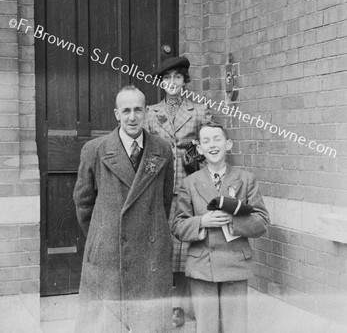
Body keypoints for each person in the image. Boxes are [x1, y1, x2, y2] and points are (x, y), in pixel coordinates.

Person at [73, 85, 174, 333]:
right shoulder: (95, 150)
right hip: (108, 251)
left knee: (148, 323)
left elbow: (164, 200)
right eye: (126, 110)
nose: (132, 117)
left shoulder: (162, 149)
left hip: (149, 251)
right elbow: (83, 202)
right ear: (116, 114)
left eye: (138, 110)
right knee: (107, 324)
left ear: (146, 112)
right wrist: (104, 233)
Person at [172, 121, 269, 333]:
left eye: (218, 139)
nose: (212, 145)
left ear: (229, 144)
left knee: (235, 327)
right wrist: (201, 222)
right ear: (199, 149)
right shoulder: (190, 183)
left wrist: (233, 220)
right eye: (206, 141)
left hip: (235, 263)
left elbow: (261, 222)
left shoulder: (245, 179)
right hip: (202, 266)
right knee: (206, 327)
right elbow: (178, 226)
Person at [144, 56, 211, 327]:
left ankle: (182, 305)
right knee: (162, 245)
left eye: (178, 77)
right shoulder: (149, 112)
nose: (172, 83)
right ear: (160, 82)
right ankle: (166, 304)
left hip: (189, 182)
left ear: (185, 81)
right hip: (158, 186)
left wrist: (195, 154)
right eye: (167, 78)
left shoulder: (199, 110)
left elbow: (209, 145)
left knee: (185, 246)